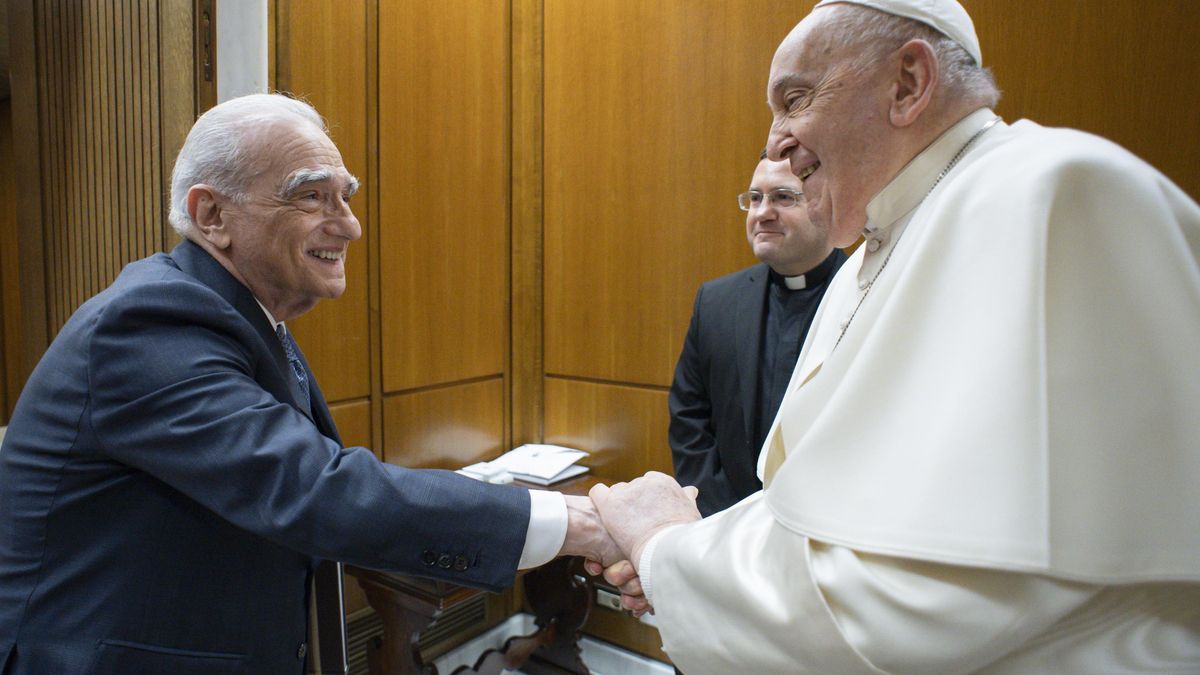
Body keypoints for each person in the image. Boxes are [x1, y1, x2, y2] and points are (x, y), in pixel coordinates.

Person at [589, 0, 1200, 672]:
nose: (775, 143)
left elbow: (932, 594)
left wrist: (667, 550)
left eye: (795, 99)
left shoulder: (1050, 195)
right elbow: (814, 521)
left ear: (908, 82)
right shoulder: (873, 252)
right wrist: (687, 563)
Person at [0, 94, 618, 674]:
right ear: (211, 214)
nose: (347, 226)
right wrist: (581, 524)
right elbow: (313, 488)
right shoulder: (149, 324)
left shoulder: (242, 313)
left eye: (345, 196)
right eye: (312, 198)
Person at [670, 155, 844, 516]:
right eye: (755, 198)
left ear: (827, 203)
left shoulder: (869, 294)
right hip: (723, 526)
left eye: (783, 197)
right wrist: (723, 520)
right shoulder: (716, 301)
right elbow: (690, 419)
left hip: (828, 531)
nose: (762, 212)